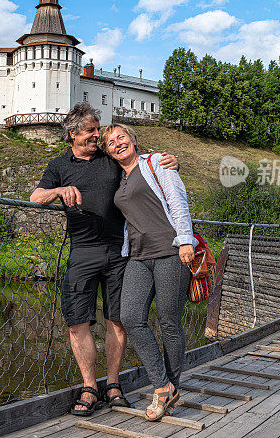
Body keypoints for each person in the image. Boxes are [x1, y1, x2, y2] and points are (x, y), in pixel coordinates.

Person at [30, 103, 178, 416]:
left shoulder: (108, 158)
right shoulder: (59, 164)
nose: (98, 136)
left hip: (118, 250)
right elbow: (35, 197)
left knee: (118, 319)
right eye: (91, 132)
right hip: (82, 251)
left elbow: (140, 160)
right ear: (73, 134)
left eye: (99, 131)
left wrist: (169, 161)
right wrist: (59, 190)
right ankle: (89, 387)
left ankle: (113, 385)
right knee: (77, 321)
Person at [100, 123, 196, 422]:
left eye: (121, 137)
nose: (117, 143)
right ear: (108, 151)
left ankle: (169, 389)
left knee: (169, 321)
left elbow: (178, 202)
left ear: (133, 139)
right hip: (138, 256)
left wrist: (185, 240)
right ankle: (162, 384)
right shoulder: (118, 179)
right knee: (130, 317)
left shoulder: (156, 163)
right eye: (110, 142)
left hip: (170, 250)